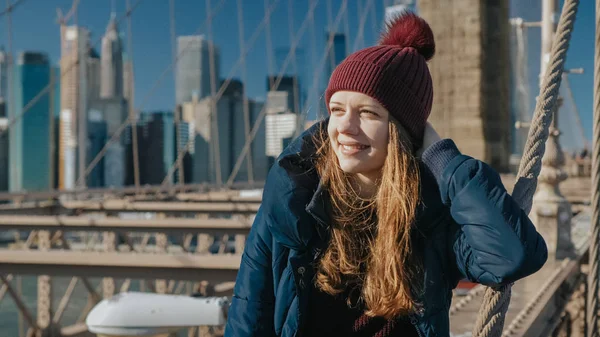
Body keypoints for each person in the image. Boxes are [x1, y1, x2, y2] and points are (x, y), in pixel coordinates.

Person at [224, 12, 548, 337]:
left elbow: (511, 256)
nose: (345, 128)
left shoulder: (432, 216)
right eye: (337, 110)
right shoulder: (290, 201)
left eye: (367, 113)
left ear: (402, 133)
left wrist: (442, 157)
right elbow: (249, 317)